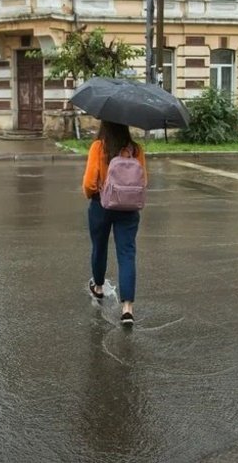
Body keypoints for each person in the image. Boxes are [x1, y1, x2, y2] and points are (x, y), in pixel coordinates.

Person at [82, 120, 147, 326]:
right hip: (128, 208)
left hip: (101, 205)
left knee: (99, 247)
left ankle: (99, 287)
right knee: (127, 253)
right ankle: (127, 308)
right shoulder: (136, 150)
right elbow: (143, 180)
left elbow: (90, 182)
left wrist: (91, 194)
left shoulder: (99, 147)